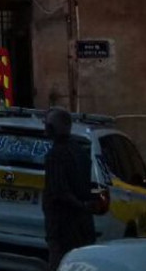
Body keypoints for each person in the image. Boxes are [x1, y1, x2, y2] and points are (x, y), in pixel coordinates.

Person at [42, 106, 96, 270]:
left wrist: (80, 205)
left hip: (62, 226)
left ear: (51, 128)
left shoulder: (55, 155)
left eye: (47, 125)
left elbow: (59, 192)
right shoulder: (80, 152)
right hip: (82, 225)